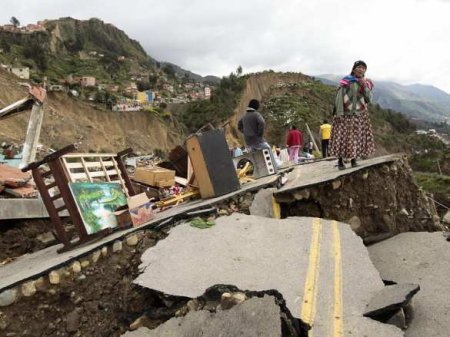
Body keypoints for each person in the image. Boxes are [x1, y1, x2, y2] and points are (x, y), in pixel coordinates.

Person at [329, 60, 375, 170]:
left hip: (359, 115)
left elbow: (369, 99)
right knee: (342, 138)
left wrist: (364, 86)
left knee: (356, 138)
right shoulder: (346, 82)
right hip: (345, 114)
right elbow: (339, 97)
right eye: (359, 67)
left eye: (363, 68)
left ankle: (354, 160)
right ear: (354, 69)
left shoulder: (366, 83)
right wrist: (339, 113)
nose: (361, 69)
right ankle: (340, 161)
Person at [238, 99, 278, 172]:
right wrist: (260, 133)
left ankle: (259, 172)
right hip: (258, 140)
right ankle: (276, 168)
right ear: (256, 106)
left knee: (254, 158)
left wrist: (245, 132)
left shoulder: (244, 117)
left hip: (248, 142)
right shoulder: (256, 114)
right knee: (269, 150)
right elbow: (262, 122)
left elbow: (239, 127)